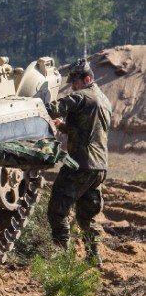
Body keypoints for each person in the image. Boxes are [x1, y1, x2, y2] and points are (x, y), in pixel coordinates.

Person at [45, 58, 111, 265]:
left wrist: (35, 105)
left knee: (57, 209)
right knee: (86, 216)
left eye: (75, 82)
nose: (73, 87)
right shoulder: (104, 100)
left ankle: (61, 258)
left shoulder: (82, 97)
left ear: (87, 79)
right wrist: (63, 126)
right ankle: (94, 256)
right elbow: (88, 130)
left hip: (80, 164)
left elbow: (54, 107)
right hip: (99, 167)